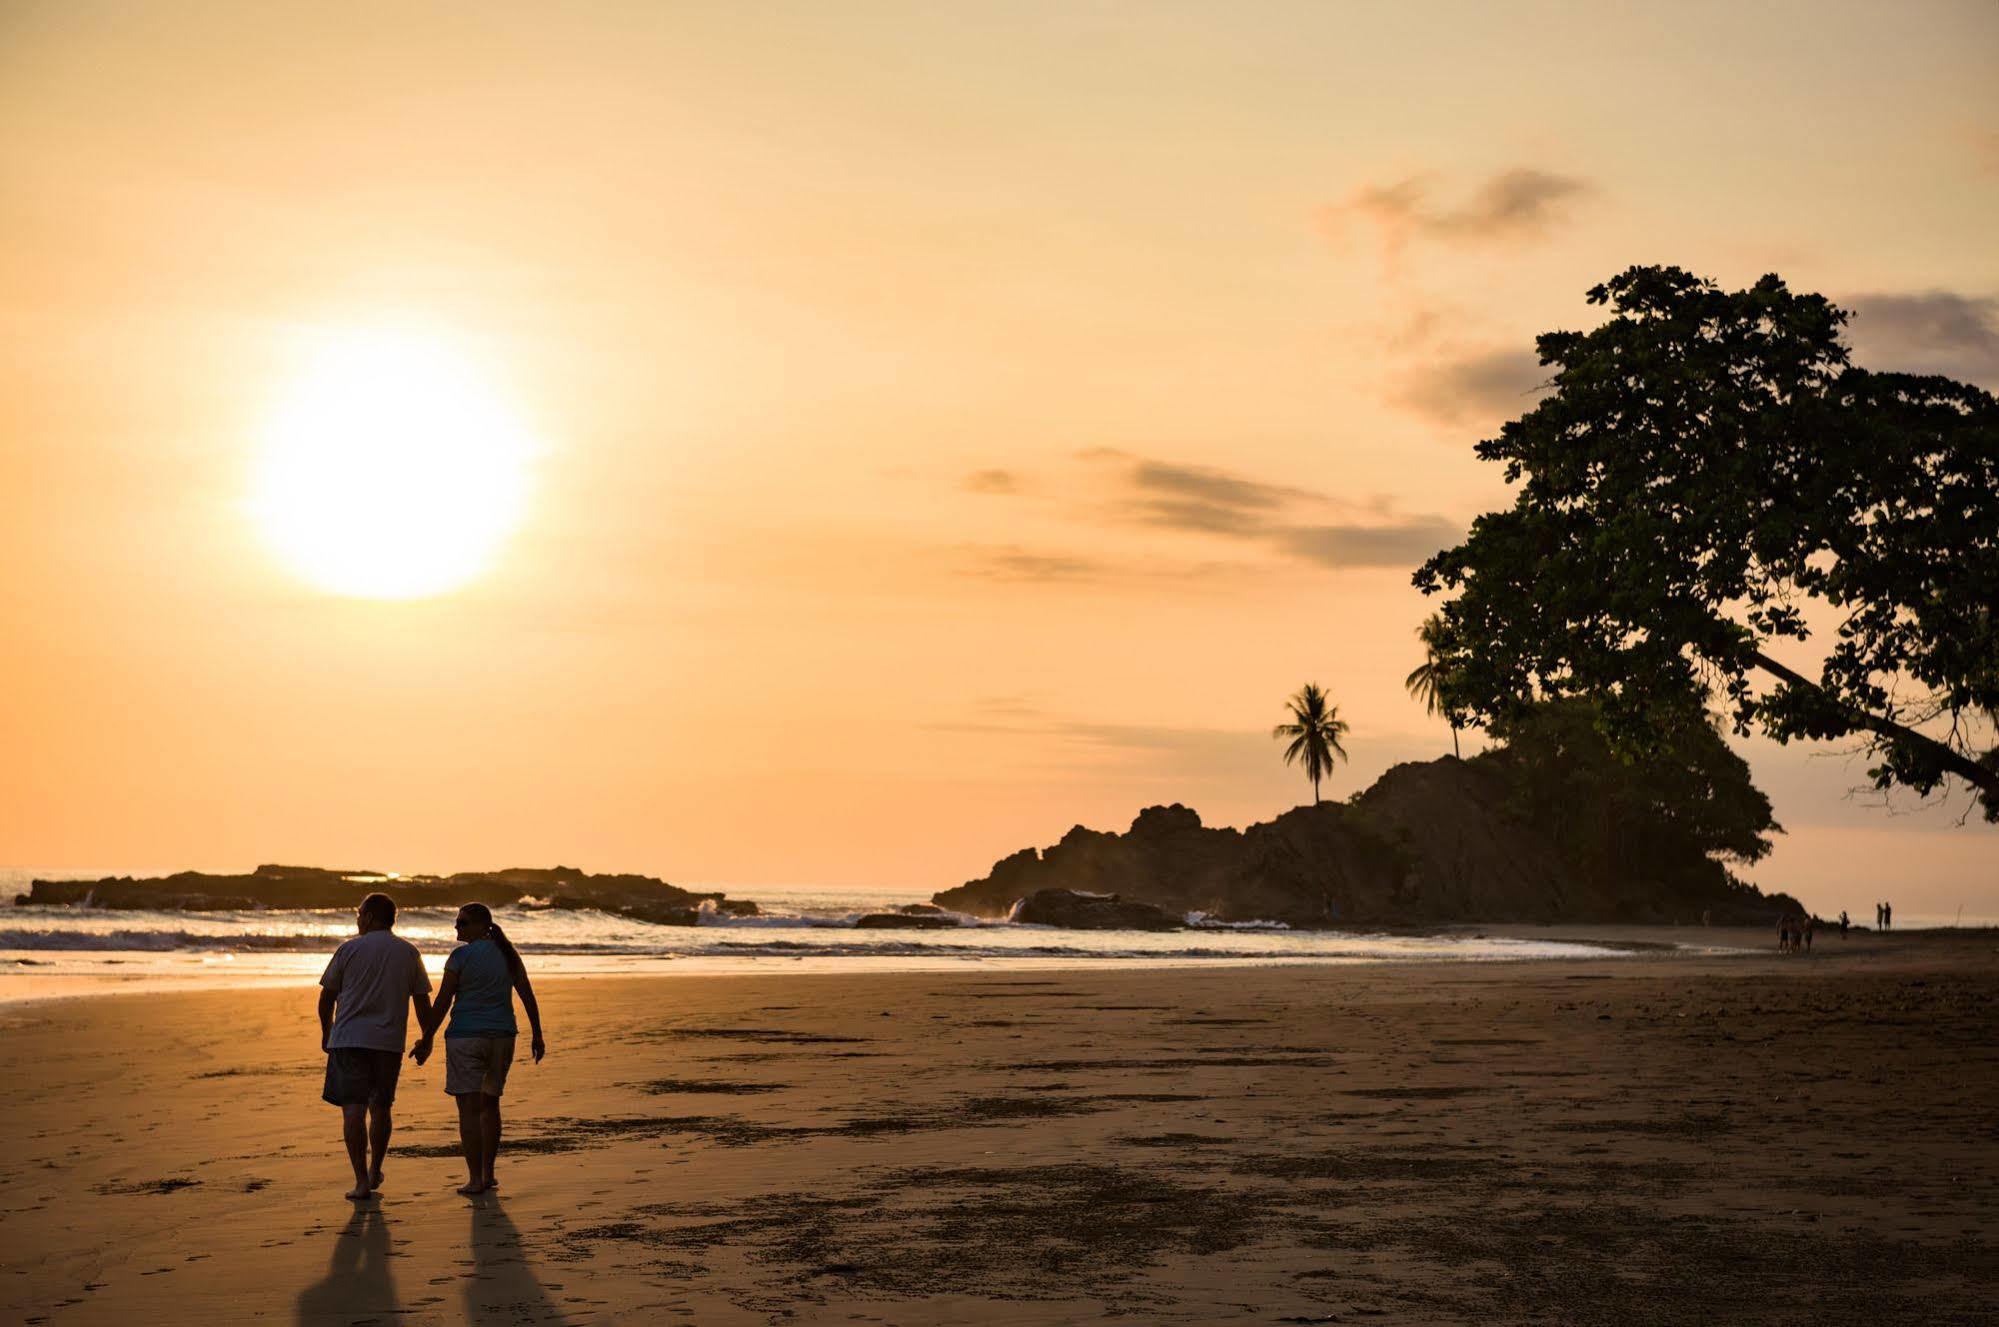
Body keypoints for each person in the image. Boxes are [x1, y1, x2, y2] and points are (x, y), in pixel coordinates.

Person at [412, 903, 546, 1196]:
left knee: (469, 1112)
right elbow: (527, 995)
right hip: (502, 1037)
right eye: (456, 922)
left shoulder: (460, 957)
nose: (456, 928)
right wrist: (537, 1033)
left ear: (482, 925)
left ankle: (476, 1179)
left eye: (462, 922)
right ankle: (488, 1174)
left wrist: (426, 1038)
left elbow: (443, 1002)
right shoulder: (508, 955)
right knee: (491, 1105)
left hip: (465, 1038)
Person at [319, 892, 433, 1200]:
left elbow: (326, 997)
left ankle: (360, 1181)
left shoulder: (349, 950)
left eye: (359, 914)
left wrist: (326, 1032)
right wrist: (427, 1038)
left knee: (353, 1111)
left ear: (369, 917)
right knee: (381, 1108)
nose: (357, 919)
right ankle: (375, 1170)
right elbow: (423, 1001)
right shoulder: (408, 953)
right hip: (387, 1043)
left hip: (348, 1040)